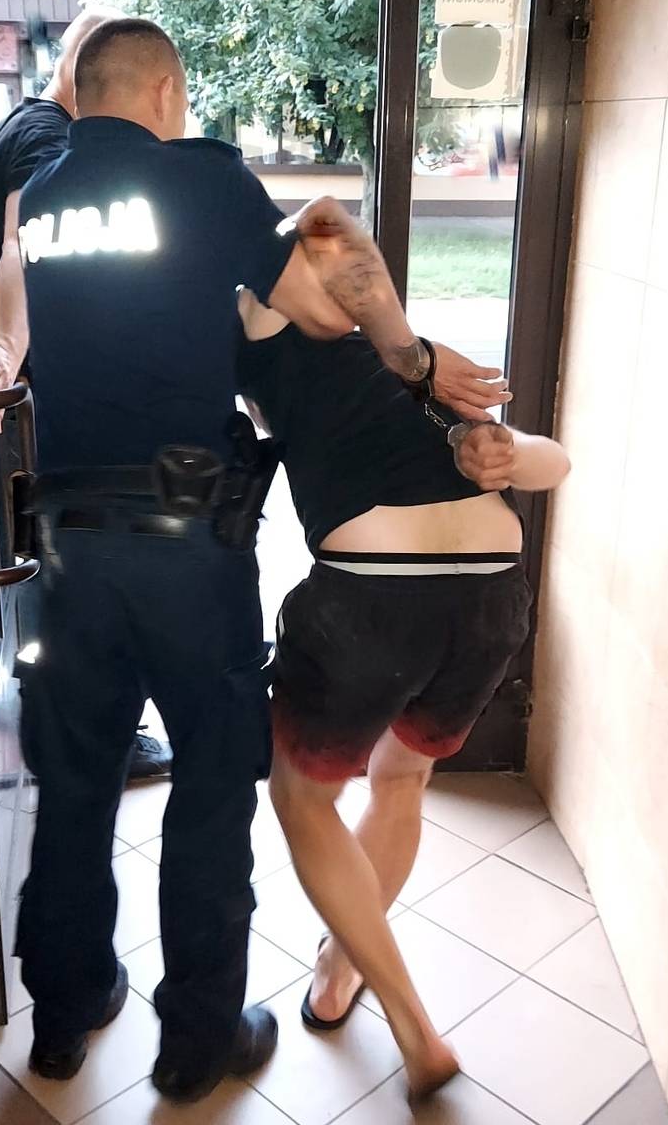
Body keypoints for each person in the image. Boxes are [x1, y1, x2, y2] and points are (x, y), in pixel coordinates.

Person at [11, 16, 507, 1100]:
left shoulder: (40, 199)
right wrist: (415, 358)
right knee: (207, 791)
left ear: (83, 93)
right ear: (165, 92)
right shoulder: (203, 179)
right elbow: (319, 300)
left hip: (67, 541)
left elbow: (25, 319)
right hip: (187, 535)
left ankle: (63, 1011)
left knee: (76, 783)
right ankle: (196, 1044)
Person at [237, 283, 570, 1102]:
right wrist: (508, 452)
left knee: (304, 800)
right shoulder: (386, 355)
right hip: (491, 596)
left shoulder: (396, 356)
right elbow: (555, 463)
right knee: (401, 781)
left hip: (376, 596)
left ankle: (412, 1026)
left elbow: (551, 460)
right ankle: (340, 967)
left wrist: (506, 452)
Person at [0, 6, 173, 780]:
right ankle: (94, 734)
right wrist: (9, 350)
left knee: (47, 565)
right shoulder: (49, 141)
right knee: (75, 571)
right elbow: (18, 253)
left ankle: (56, 711)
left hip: (32, 397)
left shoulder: (26, 125)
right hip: (47, 400)